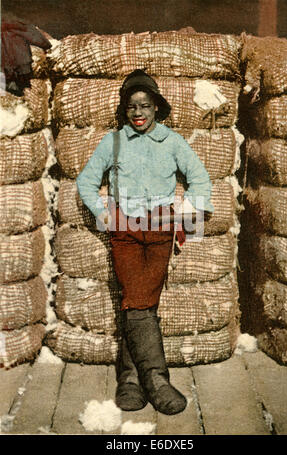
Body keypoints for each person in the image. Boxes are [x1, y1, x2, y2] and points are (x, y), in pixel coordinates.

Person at [76, 69, 214, 415]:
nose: (139, 113)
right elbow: (86, 183)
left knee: (139, 302)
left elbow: (199, 178)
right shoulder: (113, 142)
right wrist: (106, 215)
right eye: (132, 106)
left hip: (160, 231)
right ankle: (157, 379)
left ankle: (131, 379)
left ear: (157, 109)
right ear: (125, 110)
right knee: (137, 301)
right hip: (124, 232)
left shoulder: (172, 142)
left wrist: (185, 215)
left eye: (146, 106)